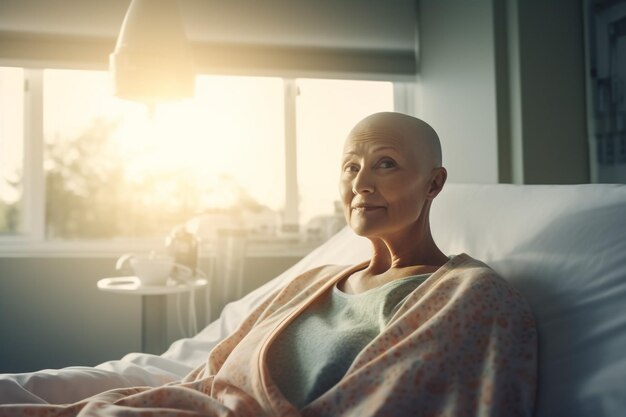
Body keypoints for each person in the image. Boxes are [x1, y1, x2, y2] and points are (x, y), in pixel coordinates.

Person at [0, 112, 537, 417]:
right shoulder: (311, 284)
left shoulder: (466, 296)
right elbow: (212, 376)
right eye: (350, 166)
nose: (361, 183)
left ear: (435, 184)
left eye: (386, 165)